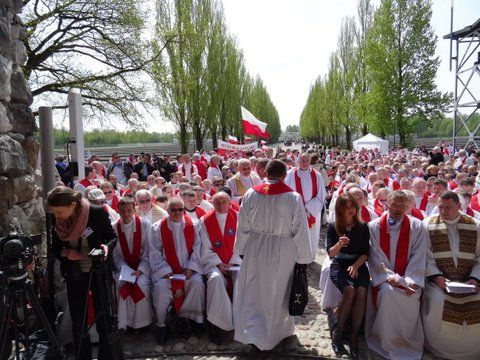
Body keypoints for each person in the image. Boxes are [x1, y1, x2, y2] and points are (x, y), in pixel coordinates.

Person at [233, 159, 311, 351]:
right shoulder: (293, 197)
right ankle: (277, 333)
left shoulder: (251, 194)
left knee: (255, 290)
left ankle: (253, 332)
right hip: (282, 248)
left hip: (255, 247)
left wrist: (240, 251)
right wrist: (303, 259)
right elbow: (299, 230)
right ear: (285, 175)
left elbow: (242, 226)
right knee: (278, 291)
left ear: (265, 174)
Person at [47, 186, 118, 360]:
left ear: (73, 204)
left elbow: (111, 237)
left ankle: (107, 355)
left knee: (104, 317)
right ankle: (82, 356)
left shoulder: (96, 212)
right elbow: (55, 247)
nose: (57, 216)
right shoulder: (56, 219)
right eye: (54, 212)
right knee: (78, 320)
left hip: (98, 272)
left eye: (59, 211)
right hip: (75, 274)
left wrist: (105, 248)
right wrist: (65, 253)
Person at [365, 191, 427, 360]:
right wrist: (390, 277)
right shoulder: (373, 226)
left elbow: (419, 254)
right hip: (385, 279)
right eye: (394, 204)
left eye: (402, 205)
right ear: (387, 204)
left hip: (410, 278)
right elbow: (375, 256)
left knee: (412, 296)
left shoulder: (418, 226)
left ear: (408, 206)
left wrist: (410, 280)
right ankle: (384, 341)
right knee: (387, 294)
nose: (398, 208)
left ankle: (407, 341)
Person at [422, 191, 480, 359]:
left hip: (470, 282)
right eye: (440, 207)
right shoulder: (427, 225)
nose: (443, 211)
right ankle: (440, 348)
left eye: (448, 207)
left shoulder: (475, 225)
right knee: (439, 301)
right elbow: (425, 256)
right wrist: (437, 277)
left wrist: (475, 279)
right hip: (438, 281)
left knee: (476, 300)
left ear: (459, 206)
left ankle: (473, 351)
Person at [149, 197, 205, 345]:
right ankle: (162, 326)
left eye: (180, 209)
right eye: (173, 210)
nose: (177, 213)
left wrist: (191, 267)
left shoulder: (194, 225)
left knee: (197, 283)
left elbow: (198, 248)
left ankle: (195, 321)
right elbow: (154, 252)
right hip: (167, 273)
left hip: (188, 271)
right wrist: (165, 271)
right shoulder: (157, 228)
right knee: (161, 288)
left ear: (184, 210)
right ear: (167, 210)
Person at [327, 193, 370, 359]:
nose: (350, 210)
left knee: (361, 291)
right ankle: (338, 333)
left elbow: (366, 253)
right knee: (349, 290)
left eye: (352, 206)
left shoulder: (363, 227)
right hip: (339, 264)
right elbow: (331, 253)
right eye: (346, 207)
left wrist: (356, 265)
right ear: (340, 209)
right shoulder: (333, 226)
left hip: (357, 264)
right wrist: (339, 243)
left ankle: (353, 338)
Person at [198, 191, 241, 343]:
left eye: (224, 202)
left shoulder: (239, 218)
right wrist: (218, 263)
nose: (221, 205)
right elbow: (204, 247)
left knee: (241, 279)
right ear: (212, 203)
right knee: (215, 279)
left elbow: (243, 243)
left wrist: (234, 261)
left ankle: (240, 323)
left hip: (236, 263)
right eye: (217, 202)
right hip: (215, 264)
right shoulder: (205, 221)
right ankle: (220, 324)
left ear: (230, 203)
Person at [112, 197, 152, 332]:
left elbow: (148, 250)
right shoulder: (114, 228)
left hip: (143, 268)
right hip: (124, 268)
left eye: (129, 210)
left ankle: (143, 324)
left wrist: (140, 270)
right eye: (122, 211)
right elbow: (115, 254)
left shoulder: (145, 225)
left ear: (135, 210)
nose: (126, 214)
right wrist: (125, 269)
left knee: (141, 285)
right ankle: (126, 324)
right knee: (121, 284)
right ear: (118, 211)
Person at [285, 153, 326, 261]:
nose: (305, 163)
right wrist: (296, 207)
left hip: (311, 212)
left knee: (311, 234)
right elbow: (285, 192)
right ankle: (295, 257)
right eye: (302, 160)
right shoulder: (289, 174)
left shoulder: (317, 175)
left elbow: (321, 194)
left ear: (310, 161)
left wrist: (308, 208)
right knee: (295, 233)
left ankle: (309, 257)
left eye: (307, 160)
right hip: (294, 211)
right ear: (298, 161)